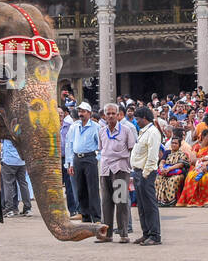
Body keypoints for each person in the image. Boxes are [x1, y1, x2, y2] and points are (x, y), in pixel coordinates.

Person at [97, 102, 136, 243]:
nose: (111, 116)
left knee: (121, 201)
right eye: (109, 114)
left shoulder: (126, 130)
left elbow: (132, 149)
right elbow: (101, 149)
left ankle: (123, 233)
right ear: (104, 116)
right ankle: (107, 234)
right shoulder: (101, 131)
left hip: (120, 168)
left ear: (119, 115)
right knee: (106, 202)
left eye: (114, 113)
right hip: (105, 169)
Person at [130, 106, 162, 245]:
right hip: (137, 171)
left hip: (146, 173)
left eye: (138, 118)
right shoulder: (143, 132)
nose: (136, 121)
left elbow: (153, 156)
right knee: (142, 206)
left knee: (149, 205)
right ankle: (146, 233)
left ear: (144, 118)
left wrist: (145, 173)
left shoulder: (153, 132)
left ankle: (155, 235)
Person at [65, 102, 101, 223]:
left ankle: (96, 217)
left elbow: (101, 145)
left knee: (93, 189)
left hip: (90, 158)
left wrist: (97, 158)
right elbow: (69, 145)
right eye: (79, 111)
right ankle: (85, 217)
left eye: (83, 111)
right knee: (80, 189)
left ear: (89, 113)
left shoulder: (96, 127)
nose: (81, 114)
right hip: (77, 158)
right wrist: (70, 163)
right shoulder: (74, 126)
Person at [181, 131, 208, 207]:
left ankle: (207, 201)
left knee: (207, 177)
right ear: (203, 137)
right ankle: (193, 201)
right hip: (196, 168)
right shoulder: (196, 147)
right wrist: (203, 161)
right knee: (191, 177)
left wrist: (204, 163)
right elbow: (193, 160)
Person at [0, 138, 31, 217]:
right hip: (21, 162)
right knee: (23, 184)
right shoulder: (21, 132)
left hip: (8, 161)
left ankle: (9, 209)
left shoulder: (7, 133)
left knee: (8, 185)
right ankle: (27, 209)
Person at [156, 136, 190, 205]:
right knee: (158, 178)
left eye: (176, 143)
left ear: (179, 145)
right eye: (172, 143)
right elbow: (162, 161)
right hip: (165, 171)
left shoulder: (182, 154)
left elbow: (180, 164)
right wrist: (162, 168)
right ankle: (160, 200)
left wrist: (169, 169)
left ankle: (170, 200)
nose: (173, 145)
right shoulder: (167, 152)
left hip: (176, 173)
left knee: (173, 179)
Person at [59, 107, 78, 217]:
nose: (60, 115)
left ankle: (72, 210)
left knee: (69, 186)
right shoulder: (50, 126)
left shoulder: (69, 126)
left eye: (61, 113)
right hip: (54, 161)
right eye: (58, 113)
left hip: (66, 159)